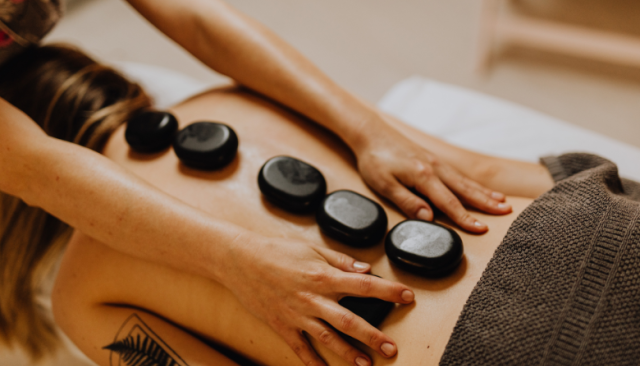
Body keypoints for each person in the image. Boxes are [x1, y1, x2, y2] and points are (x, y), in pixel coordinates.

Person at [0, 0, 515, 365]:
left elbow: (195, 16)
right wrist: (237, 259)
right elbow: (34, 166)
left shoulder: (81, 295)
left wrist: (368, 131)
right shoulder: (243, 99)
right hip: (573, 228)